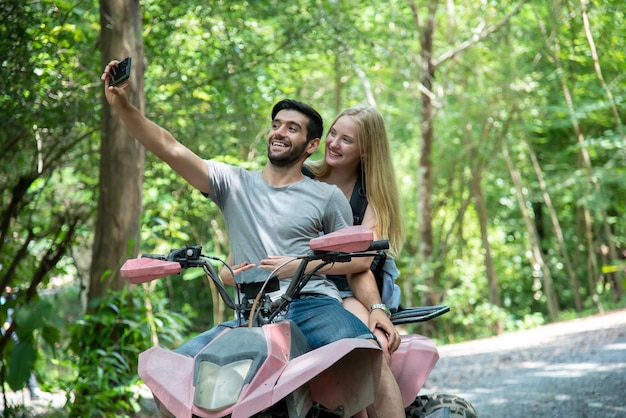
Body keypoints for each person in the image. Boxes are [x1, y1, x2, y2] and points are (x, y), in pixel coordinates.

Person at [101, 60, 404, 417]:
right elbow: (169, 147)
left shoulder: (326, 196)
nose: (279, 132)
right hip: (249, 312)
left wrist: (305, 267)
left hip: (310, 303)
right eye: (276, 125)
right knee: (174, 382)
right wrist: (123, 105)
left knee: (360, 357)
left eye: (292, 128)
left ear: (310, 145)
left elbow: (352, 258)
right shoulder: (232, 183)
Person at [1, 287, 46, 401]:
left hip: (15, 337)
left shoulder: (15, 297)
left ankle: (32, 390)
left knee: (23, 360)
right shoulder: (3, 298)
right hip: (6, 338)